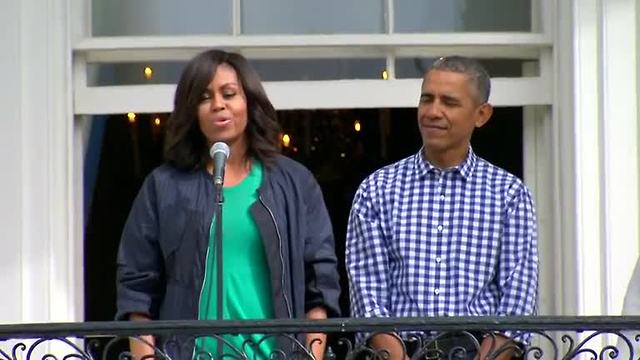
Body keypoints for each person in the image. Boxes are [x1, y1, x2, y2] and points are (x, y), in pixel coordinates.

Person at [116, 49, 341, 360]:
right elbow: (137, 288)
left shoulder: (294, 183)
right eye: (204, 97)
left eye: (229, 93)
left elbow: (320, 284)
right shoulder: (164, 187)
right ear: (192, 111)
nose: (218, 104)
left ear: (248, 100)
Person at [345, 56, 538, 360]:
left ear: (481, 114)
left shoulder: (509, 194)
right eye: (427, 99)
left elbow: (516, 305)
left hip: (479, 351)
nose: (433, 112)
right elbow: (368, 299)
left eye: (449, 102)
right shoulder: (377, 190)